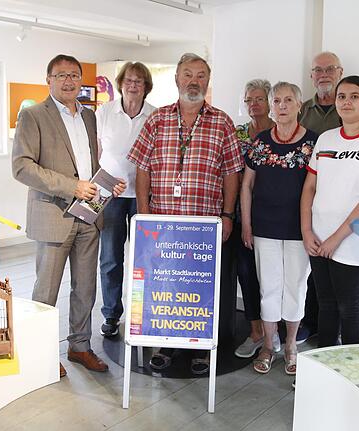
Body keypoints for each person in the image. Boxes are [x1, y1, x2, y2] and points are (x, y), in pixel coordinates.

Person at [127, 53, 243, 375]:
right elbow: (142, 169)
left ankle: (201, 348)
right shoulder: (157, 119)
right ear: (177, 79)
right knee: (165, 285)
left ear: (208, 81)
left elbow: (232, 172)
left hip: (203, 227)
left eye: (201, 75)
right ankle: (166, 343)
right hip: (163, 225)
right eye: (188, 74)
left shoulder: (222, 122)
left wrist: (228, 215)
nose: (194, 81)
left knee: (201, 288)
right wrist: (144, 215)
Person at [12, 54, 126, 377]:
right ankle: (40, 354)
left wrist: (107, 184)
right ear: (48, 79)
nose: (69, 81)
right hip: (53, 217)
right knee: (45, 293)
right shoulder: (33, 116)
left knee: (86, 288)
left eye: (74, 75)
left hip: (89, 215)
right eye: (61, 75)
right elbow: (22, 167)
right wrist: (71, 187)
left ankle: (80, 347)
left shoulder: (89, 117)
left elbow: (88, 166)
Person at [300, 75, 359, 349]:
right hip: (318, 237)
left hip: (352, 240)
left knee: (348, 306)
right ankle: (327, 370)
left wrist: (336, 239)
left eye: (354, 96)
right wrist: (307, 231)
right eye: (342, 96)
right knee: (325, 305)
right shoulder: (327, 139)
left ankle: (353, 378)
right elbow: (309, 188)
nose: (346, 101)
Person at [241, 82, 316, 375]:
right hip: (264, 228)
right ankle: (268, 346)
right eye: (277, 101)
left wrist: (312, 228)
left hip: (300, 230)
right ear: (271, 108)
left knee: (295, 288)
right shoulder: (260, 142)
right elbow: (247, 185)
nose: (282, 106)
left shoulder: (314, 143)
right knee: (269, 289)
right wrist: (246, 224)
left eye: (288, 101)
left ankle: (291, 346)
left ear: (299, 106)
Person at [96, 62, 156, 337]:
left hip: (144, 196)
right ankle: (111, 314)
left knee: (146, 259)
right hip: (111, 197)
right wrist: (105, 183)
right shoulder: (104, 112)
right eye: (129, 80)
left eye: (139, 81)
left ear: (146, 87)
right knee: (110, 258)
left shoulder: (155, 116)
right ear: (120, 83)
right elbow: (93, 154)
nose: (133, 85)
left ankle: (144, 313)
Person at [296, 51, 345, 343]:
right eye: (318, 70)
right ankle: (310, 321)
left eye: (329, 69)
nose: (324, 74)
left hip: (341, 202)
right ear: (312, 75)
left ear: (339, 72)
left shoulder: (349, 105)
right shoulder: (303, 110)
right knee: (310, 262)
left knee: (336, 266)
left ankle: (332, 328)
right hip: (307, 196)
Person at [232, 79, 281, 358]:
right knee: (247, 274)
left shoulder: (281, 133)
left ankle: (273, 334)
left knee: (273, 278)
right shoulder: (238, 133)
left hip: (275, 218)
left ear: (270, 102)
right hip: (242, 215)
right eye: (249, 100)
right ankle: (255, 332)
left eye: (260, 99)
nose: (254, 105)